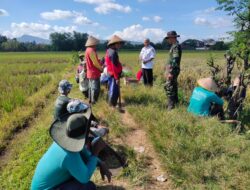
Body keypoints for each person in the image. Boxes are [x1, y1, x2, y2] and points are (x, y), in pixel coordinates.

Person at [31, 110, 112, 190]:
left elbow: (85, 153)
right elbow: (85, 178)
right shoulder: (69, 155)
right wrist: (95, 153)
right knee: (89, 187)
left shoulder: (64, 143)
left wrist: (100, 163)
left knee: (87, 182)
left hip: (51, 184)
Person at [164, 31, 182, 110]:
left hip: (173, 70)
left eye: (168, 38)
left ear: (172, 37)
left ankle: (171, 105)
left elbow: (175, 60)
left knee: (169, 86)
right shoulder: (174, 46)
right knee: (173, 85)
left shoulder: (175, 47)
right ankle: (175, 102)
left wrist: (170, 72)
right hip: (173, 69)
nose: (168, 40)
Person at [105, 35, 123, 107]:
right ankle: (112, 105)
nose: (120, 45)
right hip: (114, 74)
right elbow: (114, 67)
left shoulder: (108, 51)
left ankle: (110, 103)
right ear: (115, 44)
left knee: (111, 89)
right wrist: (116, 78)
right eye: (119, 44)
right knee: (114, 91)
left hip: (110, 73)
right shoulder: (113, 53)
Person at [85, 36, 103, 104]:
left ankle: (90, 100)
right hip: (94, 72)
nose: (96, 45)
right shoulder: (91, 50)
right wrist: (101, 68)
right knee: (95, 88)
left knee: (90, 87)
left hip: (90, 72)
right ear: (93, 44)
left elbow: (92, 60)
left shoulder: (87, 50)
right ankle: (94, 102)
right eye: (96, 44)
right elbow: (95, 63)